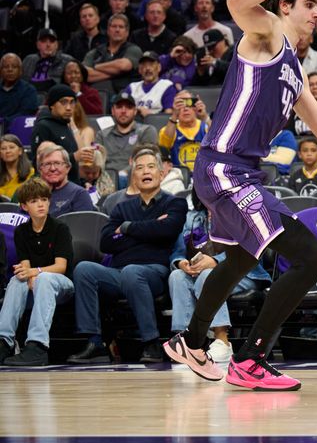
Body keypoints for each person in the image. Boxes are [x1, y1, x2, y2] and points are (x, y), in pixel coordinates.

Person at [162, 0, 317, 390]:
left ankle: (190, 341)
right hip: (226, 168)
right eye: (308, 3)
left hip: (235, 172)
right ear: (285, 6)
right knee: (311, 257)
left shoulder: (294, 70)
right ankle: (251, 359)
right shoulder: (265, 34)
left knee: (240, 258)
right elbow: (236, 0)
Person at [68, 148, 188, 364]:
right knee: (84, 269)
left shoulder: (175, 203)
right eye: (139, 168)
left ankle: (151, 342)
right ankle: (95, 342)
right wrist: (150, 229)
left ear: (161, 174)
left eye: (151, 166)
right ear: (134, 176)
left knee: (134, 272)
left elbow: (168, 230)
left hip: (154, 272)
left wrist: (125, 229)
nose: (145, 171)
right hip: (118, 272)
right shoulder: (121, 208)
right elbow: (106, 243)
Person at [168, 191, 270, 364]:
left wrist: (216, 261)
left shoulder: (241, 215)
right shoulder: (192, 218)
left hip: (243, 273)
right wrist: (181, 263)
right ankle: (187, 343)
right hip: (200, 274)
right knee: (177, 276)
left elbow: (250, 250)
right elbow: (177, 251)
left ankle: (222, 340)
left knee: (210, 276)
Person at [0, 178, 73, 366]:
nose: (40, 204)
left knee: (45, 279)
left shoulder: (60, 228)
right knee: (17, 279)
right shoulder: (21, 231)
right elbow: (25, 267)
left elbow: (61, 267)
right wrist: (27, 273)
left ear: (49, 201)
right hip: (37, 282)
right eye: (34, 201)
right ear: (24, 206)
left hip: (63, 284)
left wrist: (35, 272)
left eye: (43, 199)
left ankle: (37, 346)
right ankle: (4, 341)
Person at [31, 85, 94, 184]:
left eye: (72, 102)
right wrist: (74, 157)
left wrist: (81, 182)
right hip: (51, 188)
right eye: (63, 102)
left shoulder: (65, 123)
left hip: (72, 185)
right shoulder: (43, 126)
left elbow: (78, 154)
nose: (69, 108)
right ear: (52, 105)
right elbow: (39, 163)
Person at [95, 92, 158, 174]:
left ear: (135, 111)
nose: (123, 111)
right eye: (119, 107)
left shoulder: (146, 131)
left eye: (128, 107)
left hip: (135, 176)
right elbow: (97, 162)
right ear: (113, 111)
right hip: (106, 178)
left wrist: (124, 173)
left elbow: (147, 159)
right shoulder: (102, 135)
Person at [83, 13, 143, 93]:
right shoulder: (95, 52)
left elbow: (123, 66)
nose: (117, 30)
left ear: (127, 32)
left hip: (124, 98)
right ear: (108, 30)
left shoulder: (134, 50)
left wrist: (95, 66)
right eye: (114, 26)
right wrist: (118, 73)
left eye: (121, 27)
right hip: (97, 96)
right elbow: (85, 75)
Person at [33, 144, 94, 217]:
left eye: (57, 163)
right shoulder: (31, 194)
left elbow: (83, 226)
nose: (52, 168)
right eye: (47, 164)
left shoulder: (79, 194)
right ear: (40, 169)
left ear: (68, 168)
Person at [158, 90, 210, 173]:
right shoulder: (168, 130)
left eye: (189, 103)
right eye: (180, 104)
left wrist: (205, 116)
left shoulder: (207, 127)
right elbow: (164, 147)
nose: (185, 108)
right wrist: (174, 115)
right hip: (179, 178)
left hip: (205, 175)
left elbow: (218, 139)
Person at [122, 51, 178, 117]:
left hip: (156, 125)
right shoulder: (132, 87)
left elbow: (168, 116)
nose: (148, 68)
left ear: (159, 67)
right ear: (139, 70)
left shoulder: (167, 86)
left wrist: (150, 115)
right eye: (144, 65)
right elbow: (122, 109)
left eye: (151, 64)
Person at [0, 53, 38, 122]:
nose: (10, 70)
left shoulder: (29, 90)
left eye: (14, 67)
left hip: (16, 129)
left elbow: (26, 114)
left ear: (20, 70)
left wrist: (3, 122)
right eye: (6, 67)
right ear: (0, 71)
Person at [0, 135, 34, 200]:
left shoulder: (32, 174)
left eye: (11, 147)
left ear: (20, 151)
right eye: (3, 148)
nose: (8, 151)